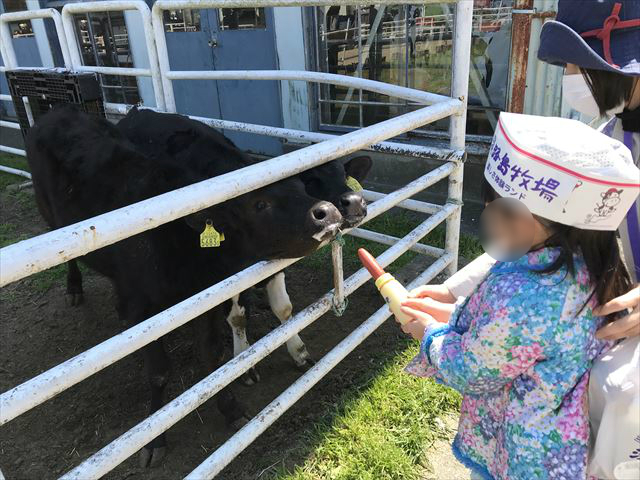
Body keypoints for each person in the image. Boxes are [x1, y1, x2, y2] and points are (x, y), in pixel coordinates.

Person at [405, 3, 639, 478]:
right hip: (585, 372)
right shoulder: (609, 138)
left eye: (577, 62)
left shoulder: (538, 294)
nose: (570, 75)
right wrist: (457, 293)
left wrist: (431, 338)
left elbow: (476, 365)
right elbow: (547, 232)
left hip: (530, 443)